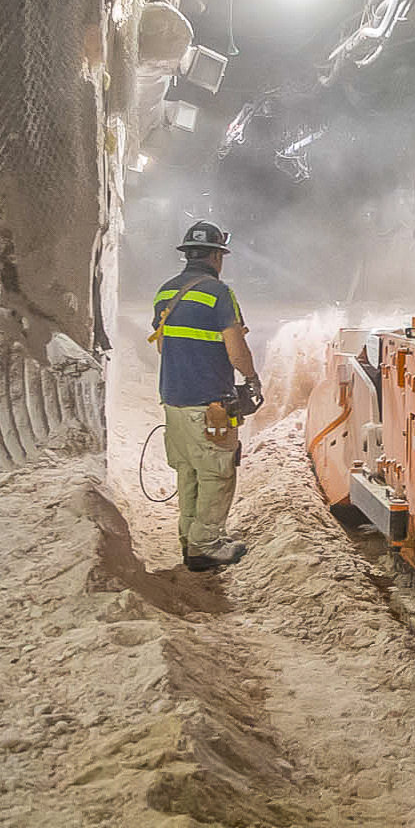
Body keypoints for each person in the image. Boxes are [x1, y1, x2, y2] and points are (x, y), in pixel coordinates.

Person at [151, 221, 263, 571]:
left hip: (173, 401)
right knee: (217, 474)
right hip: (211, 404)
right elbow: (236, 346)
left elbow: (163, 347)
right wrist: (252, 378)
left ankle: (189, 539)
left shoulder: (164, 293)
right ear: (217, 256)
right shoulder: (218, 293)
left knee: (188, 473)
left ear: (187, 255)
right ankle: (207, 545)